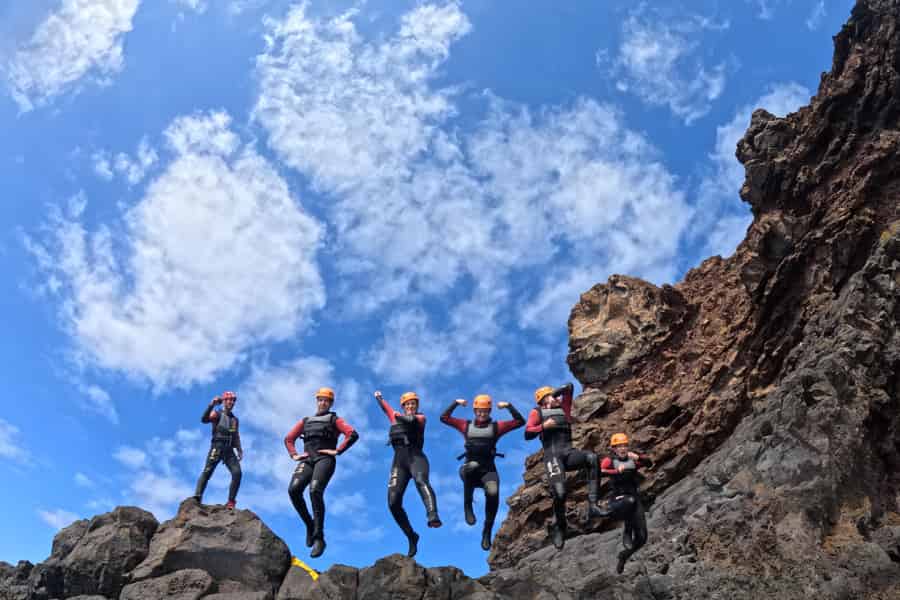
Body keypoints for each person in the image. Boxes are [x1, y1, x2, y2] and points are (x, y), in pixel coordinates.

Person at [525, 383, 604, 550]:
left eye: (555, 396)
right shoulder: (537, 412)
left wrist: (554, 393)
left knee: (592, 458)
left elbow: (569, 387)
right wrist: (543, 426)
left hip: (569, 454)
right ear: (542, 401)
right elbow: (527, 433)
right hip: (552, 458)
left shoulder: (564, 408)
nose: (556, 399)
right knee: (560, 493)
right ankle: (559, 526)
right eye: (550, 397)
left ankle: (593, 505)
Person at [440, 394, 525, 550]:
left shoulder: (496, 427)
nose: (482, 414)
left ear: (490, 411)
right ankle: (468, 506)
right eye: (479, 411)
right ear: (474, 410)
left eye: (485, 411)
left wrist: (508, 406)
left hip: (488, 469)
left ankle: (487, 531)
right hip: (469, 469)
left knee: (493, 492)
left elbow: (520, 422)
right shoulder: (465, 425)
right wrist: (455, 403)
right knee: (471, 467)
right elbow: (444, 418)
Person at [284, 387, 359, 558]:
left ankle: (319, 538)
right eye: (321, 400)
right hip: (308, 460)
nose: (323, 403)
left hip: (325, 460)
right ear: (317, 401)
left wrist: (338, 450)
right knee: (293, 490)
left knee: (315, 490)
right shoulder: (306, 420)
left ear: (330, 403)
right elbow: (288, 439)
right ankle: (310, 525)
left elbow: (352, 434)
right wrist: (294, 454)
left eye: (327, 400)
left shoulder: (334, 419)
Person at [375, 390, 441, 558]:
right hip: (399, 463)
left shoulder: (421, 418)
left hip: (416, 458)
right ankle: (411, 536)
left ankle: (432, 515)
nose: (411, 406)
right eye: (408, 404)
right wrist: (379, 398)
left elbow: (410, 420)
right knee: (393, 502)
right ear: (403, 406)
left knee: (421, 481)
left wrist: (397, 415)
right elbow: (387, 410)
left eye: (413, 404)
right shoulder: (395, 416)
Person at [600, 433, 652, 574]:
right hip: (618, 499)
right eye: (619, 446)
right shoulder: (609, 460)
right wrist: (616, 471)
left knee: (642, 538)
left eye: (624, 445)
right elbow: (599, 472)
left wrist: (639, 458)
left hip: (634, 499)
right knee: (630, 501)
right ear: (614, 449)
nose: (622, 448)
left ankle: (624, 556)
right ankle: (627, 531)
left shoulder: (632, 459)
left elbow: (649, 463)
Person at [193, 390, 243, 509]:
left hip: (229, 449)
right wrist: (211, 405)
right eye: (229, 400)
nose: (231, 402)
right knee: (208, 471)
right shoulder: (217, 413)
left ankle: (231, 502)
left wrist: (239, 449)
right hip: (217, 446)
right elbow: (204, 420)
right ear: (224, 401)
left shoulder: (235, 420)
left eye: (233, 400)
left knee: (237, 473)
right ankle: (197, 496)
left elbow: (236, 435)